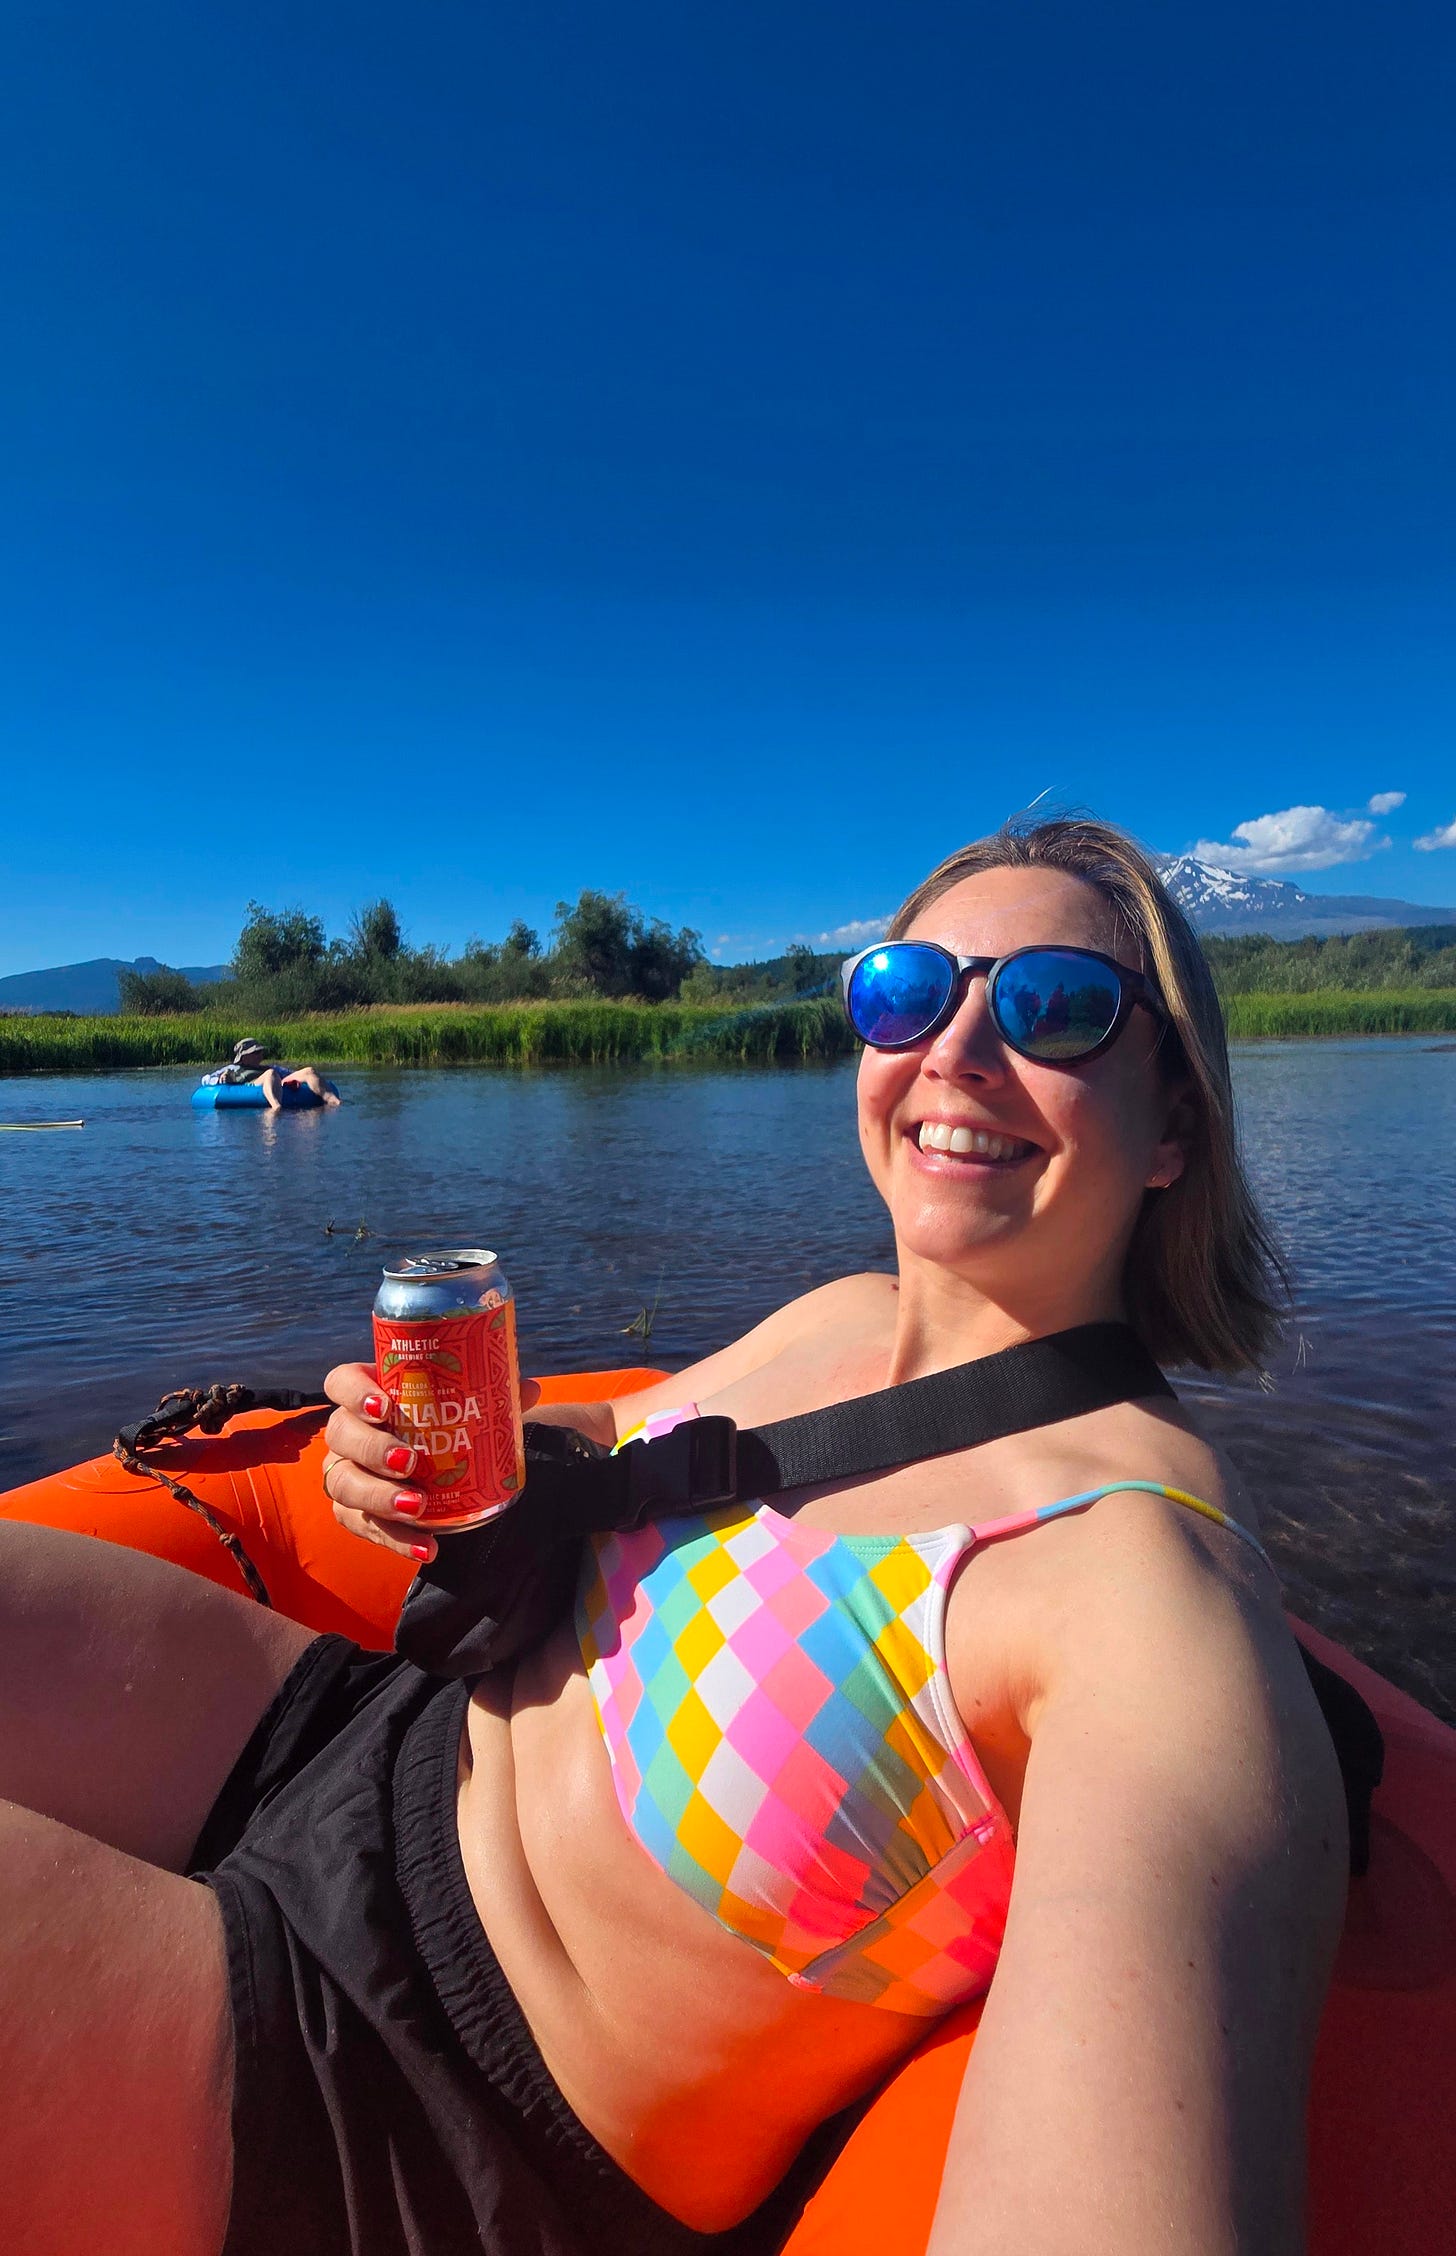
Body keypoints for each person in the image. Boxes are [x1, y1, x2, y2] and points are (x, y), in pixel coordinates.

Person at [0, 818, 1346, 2256]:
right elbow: (618, 1460)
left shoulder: (1138, 1605)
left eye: (1054, 1008)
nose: (954, 1050)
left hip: (394, 2091)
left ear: (1178, 1124)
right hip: (348, 1744)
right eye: (908, 989)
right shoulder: (838, 1315)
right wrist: (426, 1460)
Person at [199, 1036, 341, 1109]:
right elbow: (206, 1079)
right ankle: (275, 1106)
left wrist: (301, 1079)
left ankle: (333, 1100)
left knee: (308, 1071)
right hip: (251, 1083)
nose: (260, 1055)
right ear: (244, 1056)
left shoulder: (268, 1067)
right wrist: (219, 1079)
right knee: (270, 1074)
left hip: (273, 1078)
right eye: (256, 1053)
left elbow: (290, 1073)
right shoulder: (232, 1069)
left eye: (260, 1052)